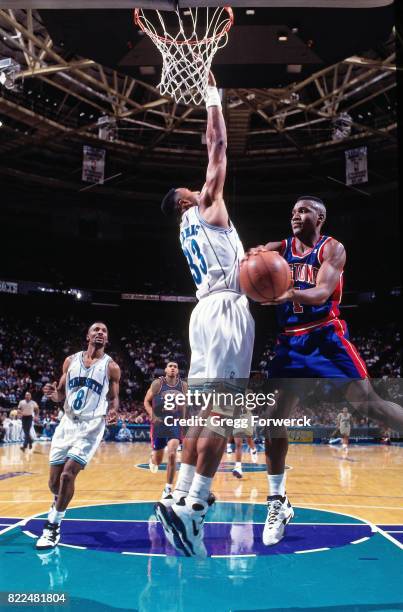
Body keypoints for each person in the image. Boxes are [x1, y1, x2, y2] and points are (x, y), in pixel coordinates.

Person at [244, 195, 403, 546]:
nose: (296, 216)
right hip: (290, 344)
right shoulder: (279, 247)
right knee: (272, 419)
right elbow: (250, 258)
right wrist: (252, 259)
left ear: (320, 217)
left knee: (369, 405)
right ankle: (277, 501)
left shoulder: (333, 250)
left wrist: (285, 294)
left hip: (326, 338)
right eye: (293, 212)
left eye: (304, 211)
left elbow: (321, 292)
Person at [156, 72, 255, 556]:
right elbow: (218, 147)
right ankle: (194, 509)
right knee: (226, 411)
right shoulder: (206, 206)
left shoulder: (186, 233)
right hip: (226, 310)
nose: (199, 188)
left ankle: (182, 498)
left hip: (205, 313)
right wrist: (213, 99)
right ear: (185, 202)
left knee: (202, 413)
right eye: (189, 190)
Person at [35, 322, 120, 550]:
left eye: (104, 331)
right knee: (54, 483)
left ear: (107, 339)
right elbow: (60, 394)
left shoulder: (111, 367)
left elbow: (113, 398)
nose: (100, 333)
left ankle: (53, 527)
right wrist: (53, 395)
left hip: (91, 425)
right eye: (96, 330)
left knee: (67, 476)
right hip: (67, 423)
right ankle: (59, 501)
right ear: (88, 336)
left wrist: (113, 410)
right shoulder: (70, 361)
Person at [143, 362, 187, 501]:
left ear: (178, 370)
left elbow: (186, 405)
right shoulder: (158, 384)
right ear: (166, 370)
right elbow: (146, 401)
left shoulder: (184, 386)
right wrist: (153, 415)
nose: (173, 367)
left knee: (172, 453)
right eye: (170, 366)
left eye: (175, 366)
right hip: (159, 423)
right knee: (158, 460)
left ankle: (168, 488)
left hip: (174, 423)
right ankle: (152, 459)